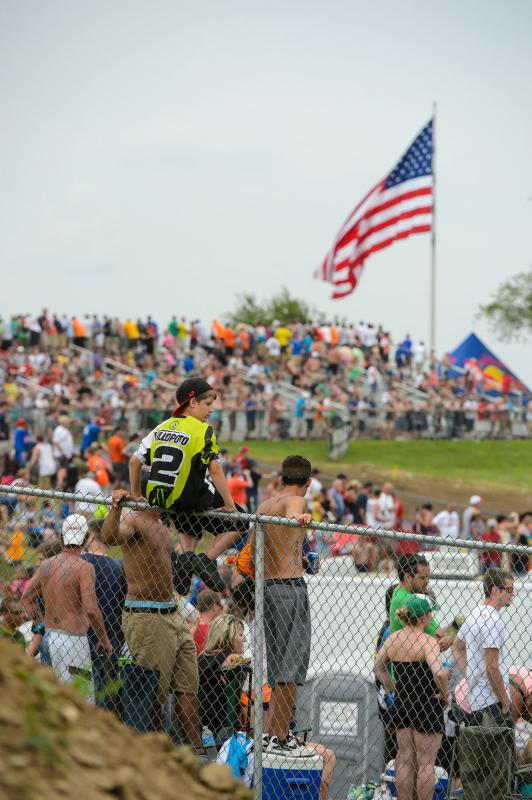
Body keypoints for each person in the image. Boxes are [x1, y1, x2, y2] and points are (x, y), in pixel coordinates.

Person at [101, 489, 202, 749]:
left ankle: (197, 752)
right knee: (152, 692)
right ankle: (152, 755)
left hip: (173, 613)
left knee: (188, 688)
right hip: (146, 615)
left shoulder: (160, 522)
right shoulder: (133, 519)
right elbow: (110, 537)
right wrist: (115, 507)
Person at [129, 377, 248, 595]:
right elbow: (215, 470)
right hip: (191, 495)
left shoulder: (161, 427)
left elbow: (134, 462)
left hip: (165, 498)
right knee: (241, 522)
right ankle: (206, 559)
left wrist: (136, 495)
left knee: (188, 520)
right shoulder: (202, 430)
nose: (212, 409)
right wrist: (230, 505)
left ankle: (186, 558)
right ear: (192, 403)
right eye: (208, 404)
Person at [254, 455, 312, 753]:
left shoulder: (264, 507)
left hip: (268, 588)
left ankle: (270, 733)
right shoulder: (297, 502)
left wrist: (294, 553)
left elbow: (256, 551)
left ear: (281, 478)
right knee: (291, 666)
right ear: (308, 482)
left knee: (277, 667)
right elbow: (294, 512)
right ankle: (279, 735)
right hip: (290, 588)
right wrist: (298, 519)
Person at [22, 514, 112, 695]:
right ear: (86, 539)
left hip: (49, 638)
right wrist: (104, 639)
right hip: (74, 640)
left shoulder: (47, 564)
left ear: (62, 537)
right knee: (81, 697)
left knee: (51, 696)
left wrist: (40, 624)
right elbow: (91, 610)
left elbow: (26, 597)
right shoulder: (85, 568)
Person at [374, 594, 448, 800]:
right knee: (426, 763)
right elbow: (439, 673)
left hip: (402, 702)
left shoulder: (393, 639)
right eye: (430, 614)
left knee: (404, 759)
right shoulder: (428, 642)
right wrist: (445, 694)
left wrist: (392, 689)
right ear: (424, 617)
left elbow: (378, 668)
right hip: (426, 702)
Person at [453, 567, 514, 727]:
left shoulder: (474, 614)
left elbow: (456, 647)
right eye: (509, 589)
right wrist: (505, 701)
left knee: (479, 750)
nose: (512, 594)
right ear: (495, 590)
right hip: (493, 702)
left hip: (477, 700)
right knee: (503, 750)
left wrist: (470, 675)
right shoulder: (493, 621)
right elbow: (492, 667)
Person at [81, 519, 127, 712]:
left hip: (82, 637)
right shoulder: (118, 568)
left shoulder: (79, 563)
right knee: (106, 698)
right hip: (111, 638)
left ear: (91, 536)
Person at [197, 614, 248, 741]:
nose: (245, 640)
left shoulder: (201, 657)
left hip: (197, 719)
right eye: (241, 635)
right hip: (220, 723)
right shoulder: (232, 659)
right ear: (229, 636)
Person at [389, 555, 452, 651]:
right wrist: (447, 638)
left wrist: (445, 638)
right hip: (409, 663)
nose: (427, 581)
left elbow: (438, 632)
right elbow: (434, 642)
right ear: (408, 577)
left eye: (427, 577)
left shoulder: (411, 596)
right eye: (422, 578)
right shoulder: (405, 600)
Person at [194, 590, 224, 655]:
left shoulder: (191, 625)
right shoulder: (213, 629)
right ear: (214, 606)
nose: (221, 608)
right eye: (220, 605)